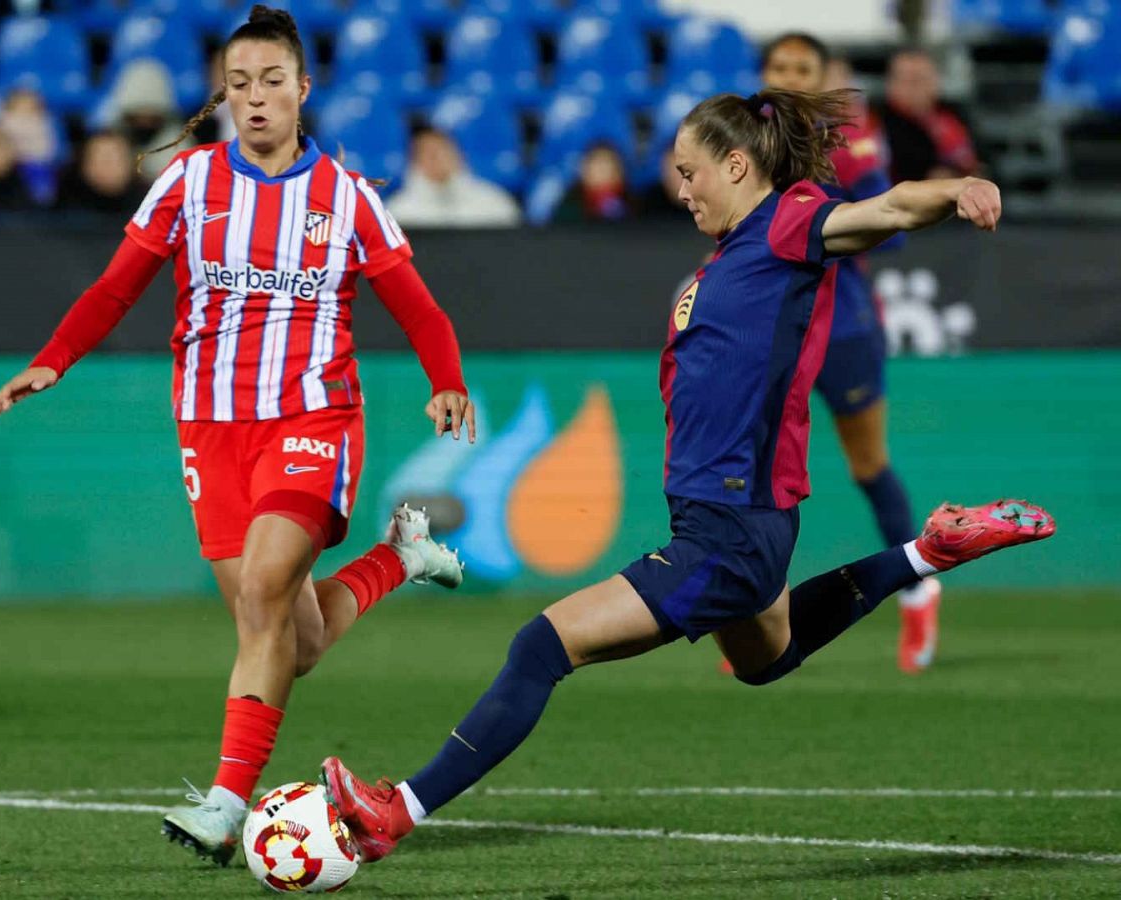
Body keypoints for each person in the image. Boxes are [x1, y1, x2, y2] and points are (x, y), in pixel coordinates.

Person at [319, 87, 1054, 861]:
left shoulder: (789, 225)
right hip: (739, 524)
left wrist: (958, 190)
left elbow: (892, 208)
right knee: (764, 659)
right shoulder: (735, 254)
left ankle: (392, 813)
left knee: (543, 646)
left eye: (688, 171)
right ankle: (927, 552)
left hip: (730, 527)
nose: (679, 189)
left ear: (736, 165)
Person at [0, 5, 476, 865]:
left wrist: (447, 382)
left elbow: (419, 305)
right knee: (296, 638)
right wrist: (53, 360)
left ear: (302, 89)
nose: (255, 99)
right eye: (239, 84)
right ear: (224, 94)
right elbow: (114, 288)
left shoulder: (346, 199)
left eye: (272, 82)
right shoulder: (186, 184)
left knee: (264, 593)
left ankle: (224, 801)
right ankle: (401, 556)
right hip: (210, 429)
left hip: (313, 416)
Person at [755, 32, 942, 672]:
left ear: (822, 74)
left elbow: (887, 230)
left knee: (868, 465)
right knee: (761, 467)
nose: (789, 75)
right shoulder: (743, 143)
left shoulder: (846, 140)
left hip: (843, 327)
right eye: (779, 65)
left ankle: (920, 594)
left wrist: (820, 219)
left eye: (801, 66)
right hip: (773, 327)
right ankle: (758, 618)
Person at [874, 48, 979, 183]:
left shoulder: (954, 113)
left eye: (921, 79)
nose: (915, 88)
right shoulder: (878, 122)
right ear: (890, 84)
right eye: (908, 80)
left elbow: (984, 159)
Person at [387, 128, 521, 229]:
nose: (438, 159)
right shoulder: (398, 213)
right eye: (429, 154)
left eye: (444, 151)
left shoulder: (494, 204)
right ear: (414, 161)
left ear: (458, 155)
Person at [54, 129, 148, 215]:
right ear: (83, 164)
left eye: (115, 158)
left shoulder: (150, 208)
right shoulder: (63, 209)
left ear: (131, 163)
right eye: (100, 157)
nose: (107, 164)